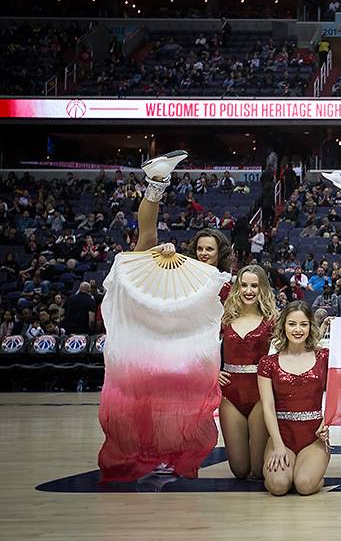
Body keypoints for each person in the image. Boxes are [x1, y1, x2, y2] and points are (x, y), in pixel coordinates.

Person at [98, 151, 231, 482]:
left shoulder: (226, 284)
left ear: (220, 255)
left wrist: (222, 368)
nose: (202, 254)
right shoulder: (179, 272)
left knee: (191, 420)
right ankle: (156, 180)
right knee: (146, 243)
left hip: (198, 366)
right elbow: (148, 244)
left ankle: (177, 460)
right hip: (160, 356)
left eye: (209, 250)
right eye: (199, 249)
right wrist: (164, 254)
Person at [257, 301, 330, 496]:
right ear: (283, 326)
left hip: (314, 436)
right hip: (282, 435)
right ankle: (286, 471)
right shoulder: (267, 363)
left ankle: (315, 477)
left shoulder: (324, 357)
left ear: (310, 326)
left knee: (304, 486)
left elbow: (336, 395)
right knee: (279, 486)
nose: (298, 329)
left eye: (303, 324)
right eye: (292, 324)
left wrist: (328, 422)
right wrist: (278, 445)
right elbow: (268, 406)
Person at [218, 265, 277, 480]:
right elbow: (199, 345)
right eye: (244, 285)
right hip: (229, 394)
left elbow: (294, 346)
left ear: (263, 289)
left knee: (258, 470)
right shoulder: (223, 318)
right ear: (237, 287)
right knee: (240, 470)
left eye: (254, 285)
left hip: (260, 394)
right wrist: (212, 372)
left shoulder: (273, 320)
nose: (249, 290)